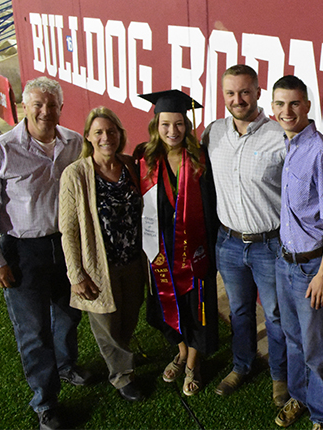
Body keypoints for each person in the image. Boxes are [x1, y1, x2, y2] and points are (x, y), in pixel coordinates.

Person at [0, 76, 89, 430]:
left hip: (67, 247)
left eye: (52, 105)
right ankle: (45, 403)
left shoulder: (74, 143)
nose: (45, 112)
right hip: (22, 250)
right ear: (23, 106)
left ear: (61, 108)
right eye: (38, 104)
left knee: (68, 316)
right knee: (34, 331)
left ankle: (66, 366)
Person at [201, 64, 288, 406]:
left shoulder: (279, 135)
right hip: (229, 243)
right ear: (223, 96)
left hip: (270, 244)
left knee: (276, 316)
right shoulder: (213, 133)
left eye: (244, 92)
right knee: (239, 311)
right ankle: (242, 365)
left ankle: (279, 377)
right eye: (230, 93)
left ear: (258, 92)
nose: (238, 100)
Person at [270, 76, 323, 430]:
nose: (287, 111)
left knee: (316, 352)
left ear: (307, 106)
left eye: (295, 103)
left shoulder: (320, 152)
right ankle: (300, 398)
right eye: (280, 104)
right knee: (294, 341)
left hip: (311, 268)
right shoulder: (290, 145)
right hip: (285, 262)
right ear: (272, 107)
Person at [59, 107, 145, 402]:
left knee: (128, 317)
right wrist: (76, 274)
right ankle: (122, 376)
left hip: (133, 261)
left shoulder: (129, 165)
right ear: (88, 137)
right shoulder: (76, 174)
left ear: (120, 134)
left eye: (111, 131)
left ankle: (124, 358)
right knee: (107, 325)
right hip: (99, 265)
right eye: (98, 132)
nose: (105, 137)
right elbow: (68, 229)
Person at [137, 89, 219, 396]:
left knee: (196, 306)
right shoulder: (145, 160)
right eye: (165, 125)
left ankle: (193, 364)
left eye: (179, 124)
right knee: (167, 302)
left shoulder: (199, 159)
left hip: (196, 248)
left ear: (187, 124)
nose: (173, 131)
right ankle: (182, 350)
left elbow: (211, 206)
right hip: (160, 250)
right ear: (156, 126)